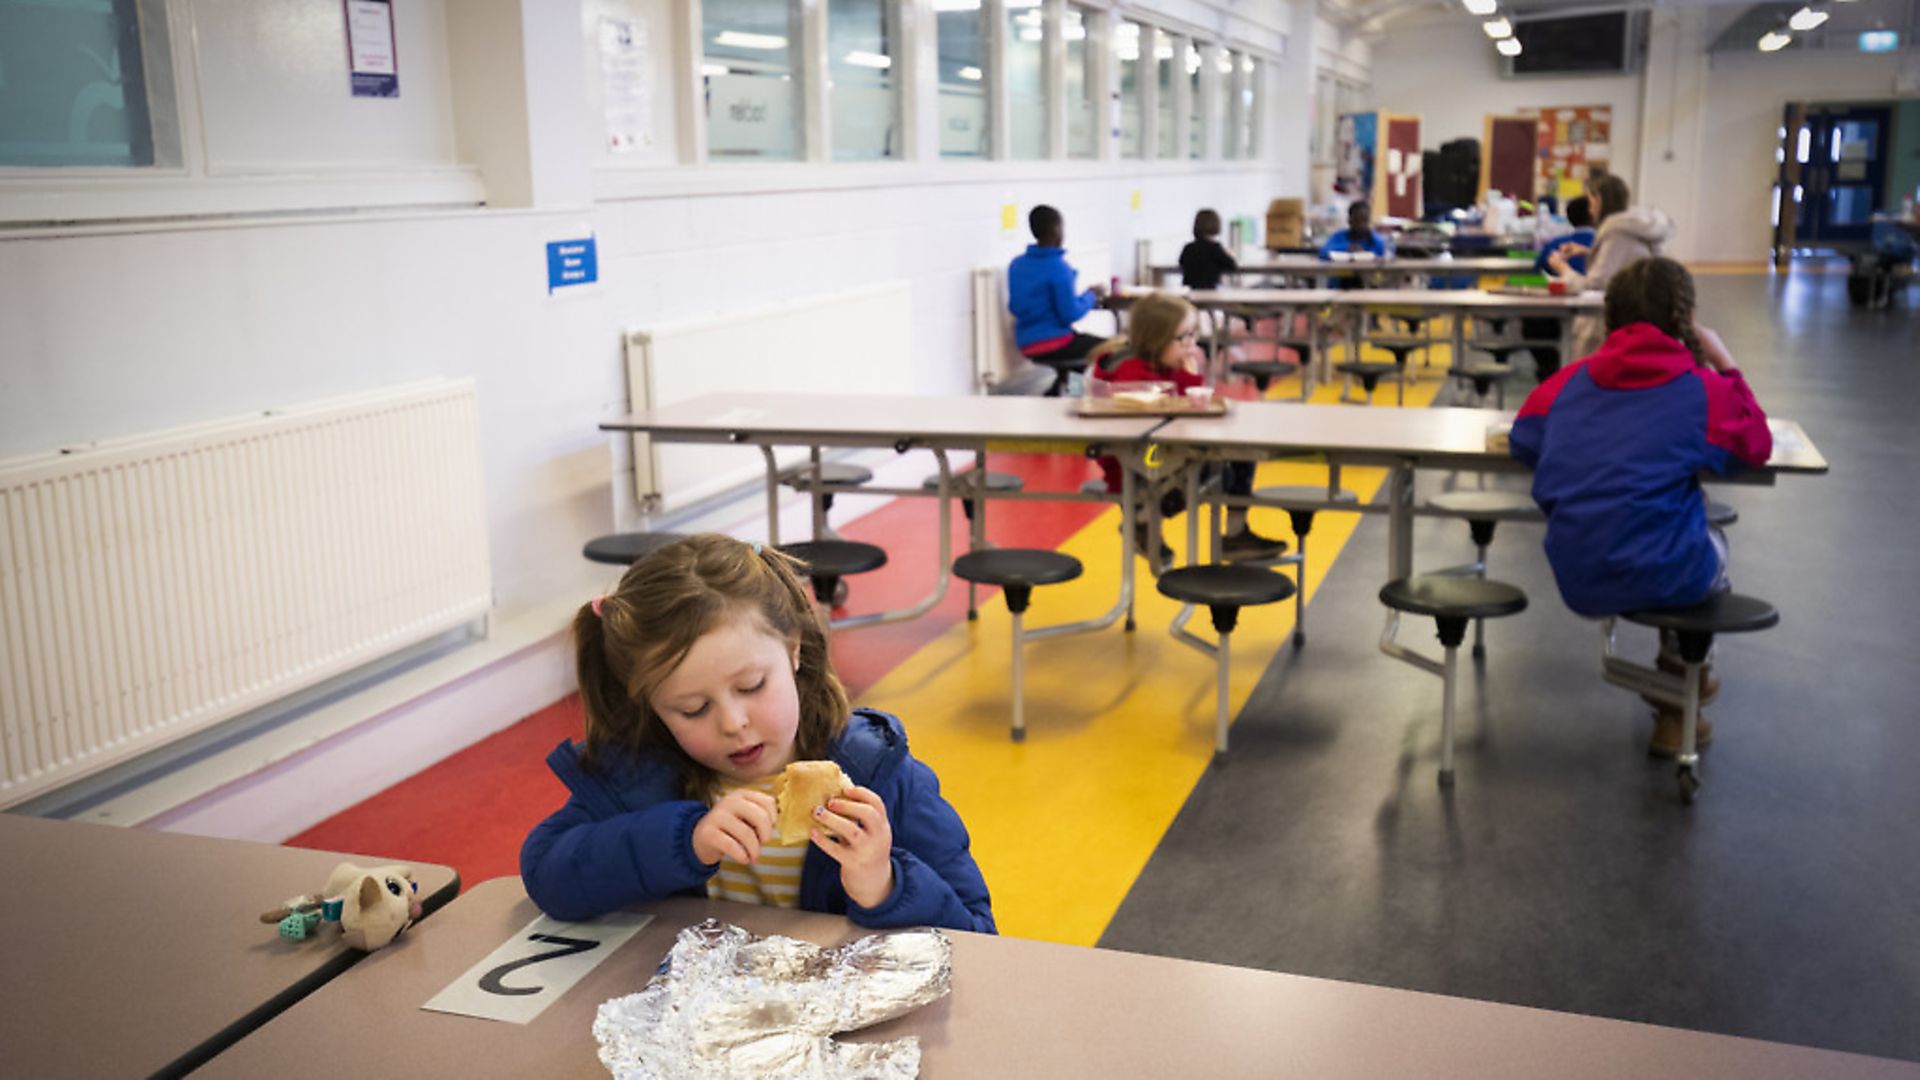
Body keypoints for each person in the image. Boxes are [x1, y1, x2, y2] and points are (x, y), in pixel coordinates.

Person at [520, 534, 996, 932]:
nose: (733, 723)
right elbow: (549, 876)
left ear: (793, 649)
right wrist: (683, 843)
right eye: (693, 708)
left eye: (751, 686)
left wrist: (884, 883)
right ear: (650, 705)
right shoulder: (639, 779)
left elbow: (978, 934)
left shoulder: (881, 774)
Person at [1508, 258, 1772, 758]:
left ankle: (1678, 706)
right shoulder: (1703, 390)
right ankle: (1682, 693)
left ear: (1611, 317)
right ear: (1686, 320)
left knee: (1674, 525)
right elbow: (1754, 445)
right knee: (1705, 534)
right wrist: (1727, 364)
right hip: (1671, 572)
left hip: (1579, 571)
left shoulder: (1567, 383)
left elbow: (1523, 438)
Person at [1090, 292, 1290, 564]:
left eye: (1193, 335)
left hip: (1158, 455)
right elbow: (1177, 420)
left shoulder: (1160, 363)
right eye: (1183, 337)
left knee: (1242, 451)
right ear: (1156, 338)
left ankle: (1234, 532)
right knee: (1227, 467)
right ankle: (1142, 517)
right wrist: (1188, 377)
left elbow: (1180, 416)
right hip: (1138, 468)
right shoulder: (1131, 375)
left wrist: (1187, 376)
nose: (1191, 344)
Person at [1544, 173, 1673, 358]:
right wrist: (1588, 252)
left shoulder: (1616, 234)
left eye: (1591, 203)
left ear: (1598, 201)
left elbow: (1594, 284)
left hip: (1611, 321)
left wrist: (1562, 269)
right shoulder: (1629, 227)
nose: (1590, 210)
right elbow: (1627, 260)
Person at [1008, 204, 1108, 396]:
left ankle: (1061, 395)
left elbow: (1015, 306)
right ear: (1057, 230)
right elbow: (1070, 313)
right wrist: (1090, 295)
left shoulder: (1017, 265)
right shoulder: (1059, 268)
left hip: (1025, 342)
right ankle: (1078, 397)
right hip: (1055, 342)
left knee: (1076, 359)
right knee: (1111, 349)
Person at [1522, 194, 1596, 377]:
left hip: (1553, 319)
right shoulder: (1603, 247)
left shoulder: (1556, 245)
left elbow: (1536, 274)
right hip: (1592, 320)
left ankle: (1549, 372)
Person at [1179, 209, 1239, 290]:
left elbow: (1181, 263)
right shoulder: (1215, 248)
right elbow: (1232, 266)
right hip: (1210, 290)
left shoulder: (1188, 248)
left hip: (1191, 291)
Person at [1318, 200, 1388, 259]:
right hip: (1341, 274)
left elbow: (1382, 257)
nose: (1361, 224)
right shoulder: (1339, 237)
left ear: (1369, 221)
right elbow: (1322, 253)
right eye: (1357, 220)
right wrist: (1347, 247)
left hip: (1367, 274)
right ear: (1349, 221)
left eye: (1364, 220)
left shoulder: (1375, 240)